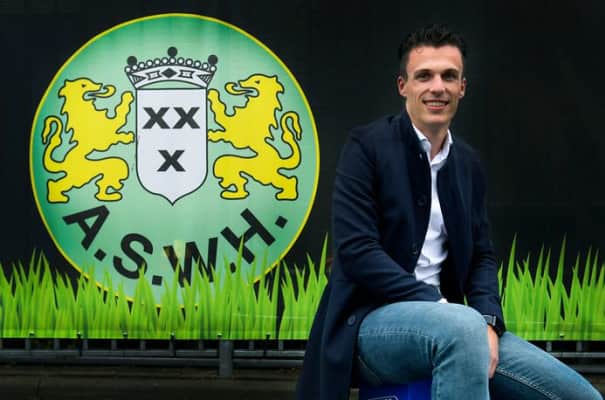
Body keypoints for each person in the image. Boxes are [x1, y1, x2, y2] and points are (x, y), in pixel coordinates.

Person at [296, 24, 603, 400]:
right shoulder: (366, 147)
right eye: (424, 76)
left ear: (462, 87)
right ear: (403, 86)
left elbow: (481, 257)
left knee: (579, 395)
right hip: (368, 325)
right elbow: (357, 251)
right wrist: (440, 305)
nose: (437, 87)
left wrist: (487, 320)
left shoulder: (468, 164)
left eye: (449, 76)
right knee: (460, 328)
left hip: (458, 327)